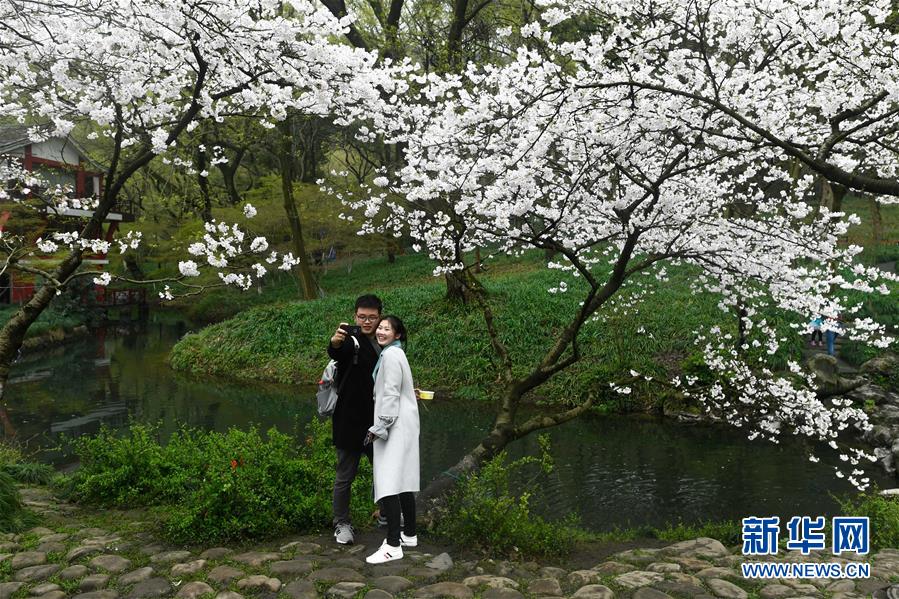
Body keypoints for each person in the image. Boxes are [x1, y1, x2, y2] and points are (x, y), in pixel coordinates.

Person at [328, 294, 383, 545]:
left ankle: (386, 514)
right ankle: (341, 523)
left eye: (372, 317)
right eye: (362, 317)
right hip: (349, 420)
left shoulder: (385, 343)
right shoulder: (351, 341)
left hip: (378, 421)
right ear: (355, 317)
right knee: (345, 476)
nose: (367, 321)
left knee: (383, 472)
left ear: (379, 317)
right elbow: (338, 352)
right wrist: (335, 343)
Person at [365, 315, 420, 564]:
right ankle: (409, 534)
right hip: (404, 423)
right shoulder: (397, 353)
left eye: (387, 329)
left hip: (394, 425)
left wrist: (380, 426)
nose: (381, 331)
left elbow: (390, 392)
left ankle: (393, 544)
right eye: (380, 328)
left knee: (387, 481)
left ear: (397, 335)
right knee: (403, 481)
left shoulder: (389, 355)